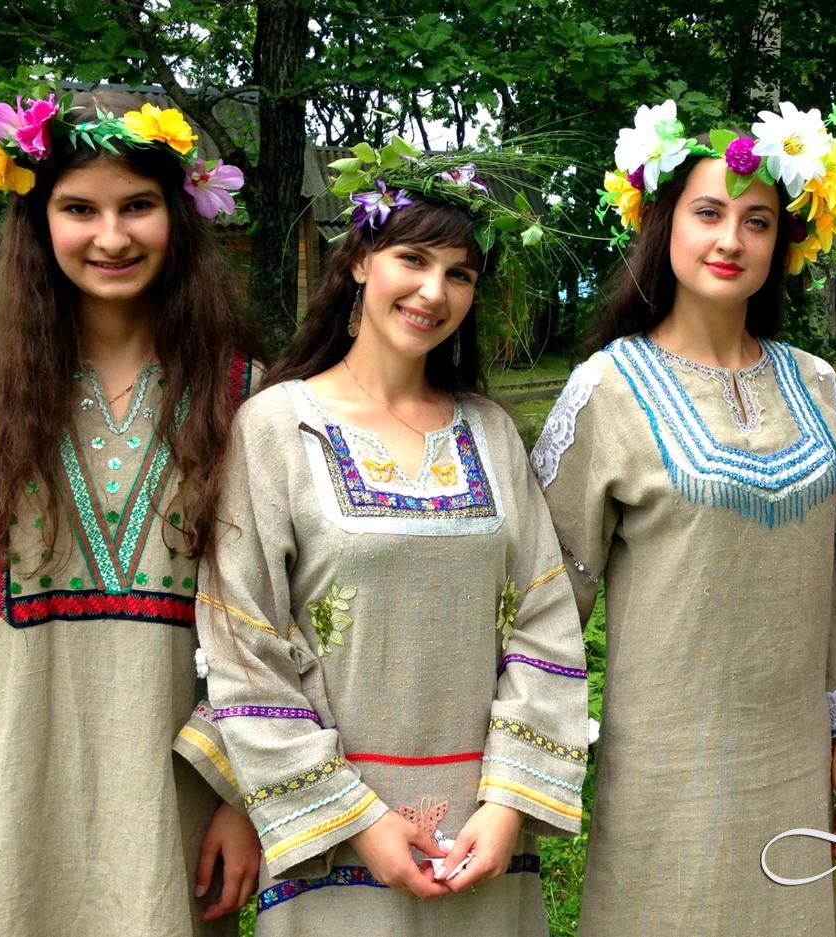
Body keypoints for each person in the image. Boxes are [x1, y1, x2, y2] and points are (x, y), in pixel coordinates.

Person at [191, 140, 588, 936]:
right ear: (360, 260)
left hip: (480, 841)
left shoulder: (490, 433)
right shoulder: (276, 425)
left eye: (460, 273)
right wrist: (360, 821)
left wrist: (508, 803)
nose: (434, 291)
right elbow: (242, 640)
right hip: (334, 844)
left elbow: (545, 620)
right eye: (413, 258)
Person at [532, 99, 836, 935]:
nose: (732, 239)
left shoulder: (817, 384)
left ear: (783, 242)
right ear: (664, 226)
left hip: (791, 751)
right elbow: (548, 590)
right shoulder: (608, 386)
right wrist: (529, 754)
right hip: (665, 762)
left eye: (758, 221)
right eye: (708, 213)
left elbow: (830, 575)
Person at [0, 89, 261, 934]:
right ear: (38, 220)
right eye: (79, 208)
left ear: (178, 214)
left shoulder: (246, 397)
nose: (111, 236)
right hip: (12, 787)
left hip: (176, 804)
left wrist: (243, 797)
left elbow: (277, 619)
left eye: (137, 205)